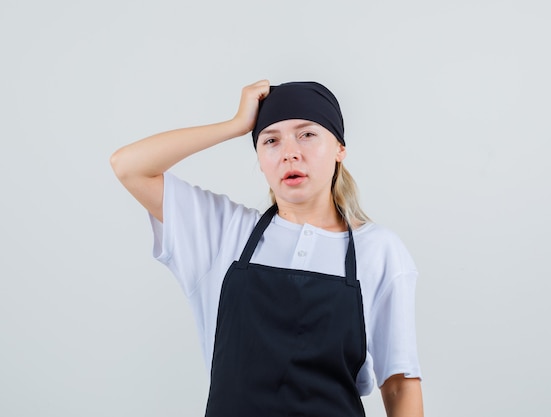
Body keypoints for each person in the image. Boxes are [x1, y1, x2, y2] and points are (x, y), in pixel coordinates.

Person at [110, 80, 424, 417]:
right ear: (260, 159)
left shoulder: (378, 250)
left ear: (339, 149)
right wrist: (235, 126)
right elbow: (129, 166)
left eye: (307, 134)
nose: (290, 152)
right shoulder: (224, 233)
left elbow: (399, 384)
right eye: (271, 140)